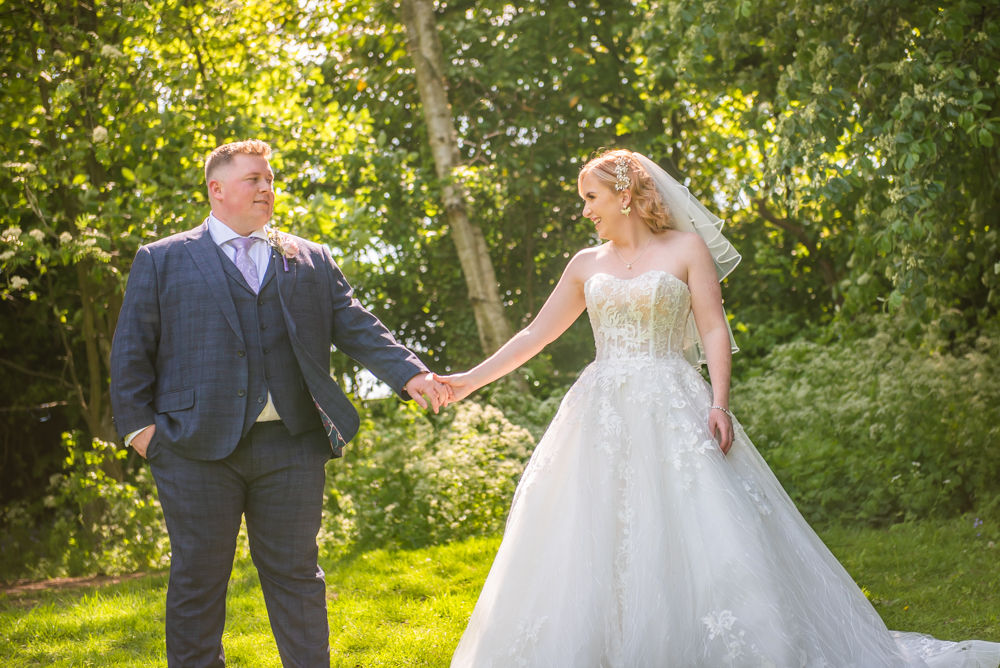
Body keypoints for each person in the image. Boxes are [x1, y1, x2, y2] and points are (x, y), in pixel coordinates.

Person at [439, 149, 1000, 666]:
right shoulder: (586, 264)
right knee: (589, 530)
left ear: (625, 194)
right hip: (601, 412)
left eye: (590, 197)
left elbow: (712, 325)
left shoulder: (686, 250)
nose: (585, 210)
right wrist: (467, 381)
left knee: (698, 529)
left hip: (672, 401)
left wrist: (720, 403)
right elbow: (536, 334)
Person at [109, 139, 448, 667]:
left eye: (269, 178)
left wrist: (411, 374)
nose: (267, 188)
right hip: (193, 446)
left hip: (292, 444)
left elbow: (355, 325)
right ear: (217, 190)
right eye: (253, 179)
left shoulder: (307, 257)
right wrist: (142, 434)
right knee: (198, 578)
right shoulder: (163, 258)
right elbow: (132, 351)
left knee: (296, 574)